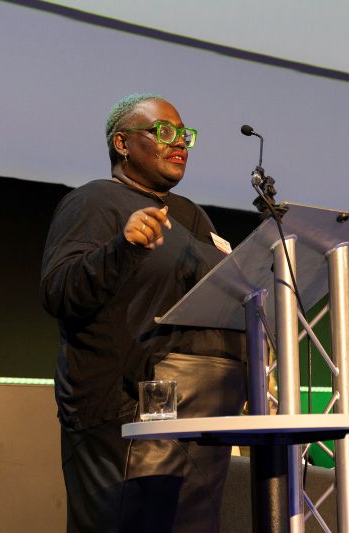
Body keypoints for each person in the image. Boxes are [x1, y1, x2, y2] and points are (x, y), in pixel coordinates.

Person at [40, 93, 247, 533]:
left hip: (202, 409)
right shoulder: (95, 202)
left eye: (184, 136)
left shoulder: (193, 216)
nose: (179, 144)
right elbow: (59, 292)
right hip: (126, 410)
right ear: (122, 144)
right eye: (164, 132)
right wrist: (123, 247)